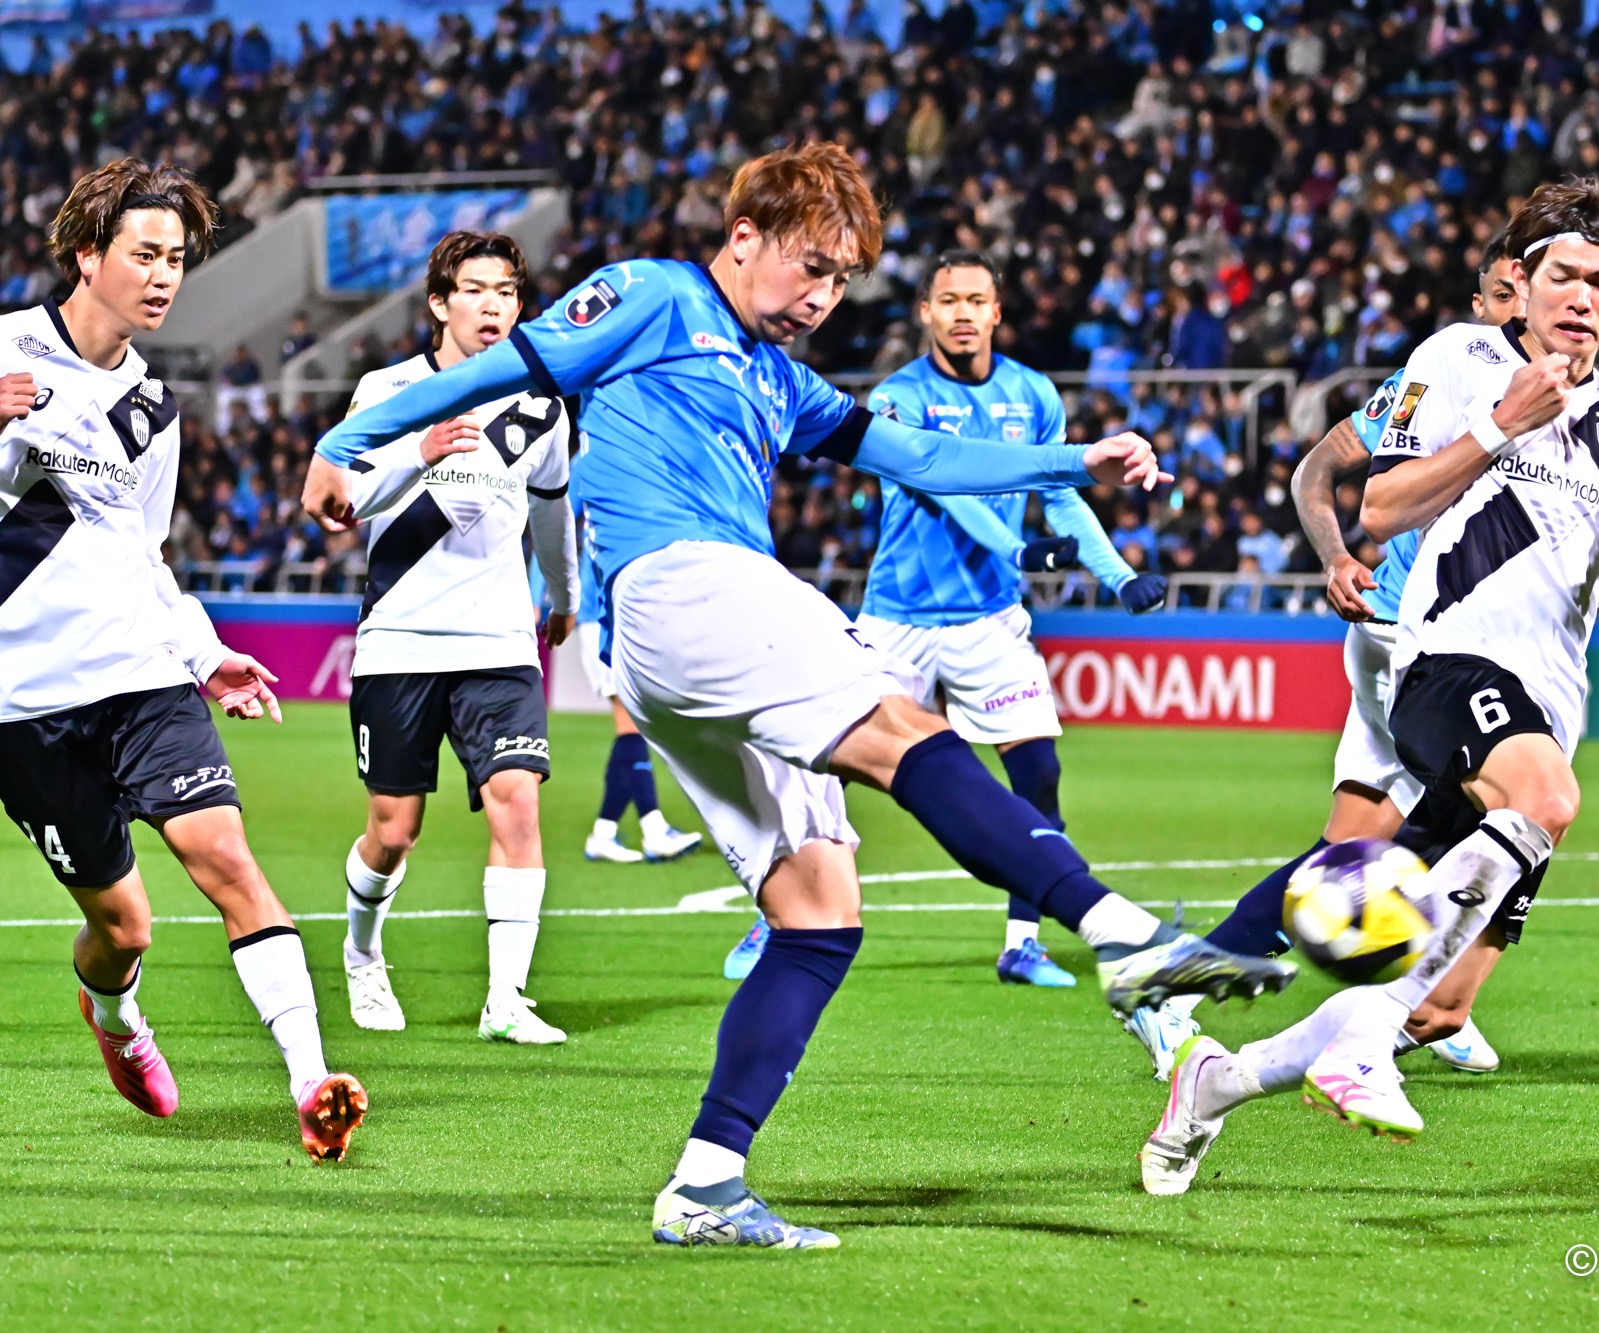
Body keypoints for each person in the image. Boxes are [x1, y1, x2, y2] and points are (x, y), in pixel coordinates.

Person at [302, 143, 1293, 1249]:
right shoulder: (653, 295)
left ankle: (705, 1183)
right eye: (809, 266)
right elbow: (503, 371)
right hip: (683, 581)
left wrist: (1074, 465)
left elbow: (920, 457)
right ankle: (1122, 936)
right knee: (900, 725)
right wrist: (347, 440)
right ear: (745, 239)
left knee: (819, 911)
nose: (821, 297)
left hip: (683, 636)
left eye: (840, 280)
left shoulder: (781, 378)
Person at [1138, 177, 1599, 1194]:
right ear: (1523, 283)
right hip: (1444, 664)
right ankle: (1329, 1035)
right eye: (1563, 275)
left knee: (1441, 1004)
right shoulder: (1458, 360)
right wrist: (1499, 425)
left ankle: (1215, 1085)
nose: (1581, 296)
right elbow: (1379, 505)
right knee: (1546, 796)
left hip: (1544, 709)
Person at [0, 159, 366, 1161]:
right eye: (145, 254)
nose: (164, 276)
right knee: (124, 928)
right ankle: (115, 1015)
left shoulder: (153, 408)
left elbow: (141, 553)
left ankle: (312, 1081)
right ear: (87, 254)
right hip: (26, 700)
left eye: (177, 259)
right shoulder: (5, 351)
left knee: (229, 862)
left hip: (141, 677)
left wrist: (204, 655)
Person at [1121, 233, 1522, 1080]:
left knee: (1354, 845)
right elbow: (1321, 467)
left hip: (1440, 640)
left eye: (1529, 289)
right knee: (1503, 808)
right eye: (1500, 292)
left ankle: (1178, 984)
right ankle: (1420, 999)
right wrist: (1336, 554)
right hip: (1415, 639)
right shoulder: (1451, 368)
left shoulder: (1561, 394)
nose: (1513, 308)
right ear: (1479, 303)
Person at [723, 248, 1167, 989]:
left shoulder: (1032, 394)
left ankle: (1023, 944)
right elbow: (941, 488)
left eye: (977, 301)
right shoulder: (899, 396)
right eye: (949, 300)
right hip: (898, 619)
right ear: (926, 311)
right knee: (824, 770)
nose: (963, 314)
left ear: (997, 312)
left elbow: (1059, 493)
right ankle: (777, 918)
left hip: (989, 620)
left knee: (1038, 773)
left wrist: (1117, 576)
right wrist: (1019, 550)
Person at [326, 231, 580, 1044]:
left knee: (518, 804)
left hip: (499, 642)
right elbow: (343, 500)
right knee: (393, 830)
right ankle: (362, 952)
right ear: (440, 303)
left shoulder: (540, 404)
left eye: (506, 291)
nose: (493, 305)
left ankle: (506, 999)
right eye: (475, 289)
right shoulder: (388, 390)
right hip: (400, 637)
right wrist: (419, 451)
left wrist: (564, 595)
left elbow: (551, 511)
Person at [575, 486, 704, 869]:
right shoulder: (595, 473)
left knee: (631, 730)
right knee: (631, 727)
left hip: (615, 616)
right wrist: (539, 596)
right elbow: (552, 518)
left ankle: (604, 833)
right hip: (600, 618)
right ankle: (653, 828)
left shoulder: (616, 480)